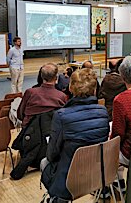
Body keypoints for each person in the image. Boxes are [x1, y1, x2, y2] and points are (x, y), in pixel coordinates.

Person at [41, 68, 109, 201]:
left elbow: (52, 154)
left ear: (71, 89)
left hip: (68, 181)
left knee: (44, 162)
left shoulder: (61, 116)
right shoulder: (103, 112)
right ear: (94, 90)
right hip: (97, 175)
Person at [17, 63, 67, 127]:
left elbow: (20, 115)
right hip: (51, 131)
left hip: (29, 131)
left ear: (41, 76)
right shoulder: (61, 96)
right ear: (56, 78)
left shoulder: (30, 92)